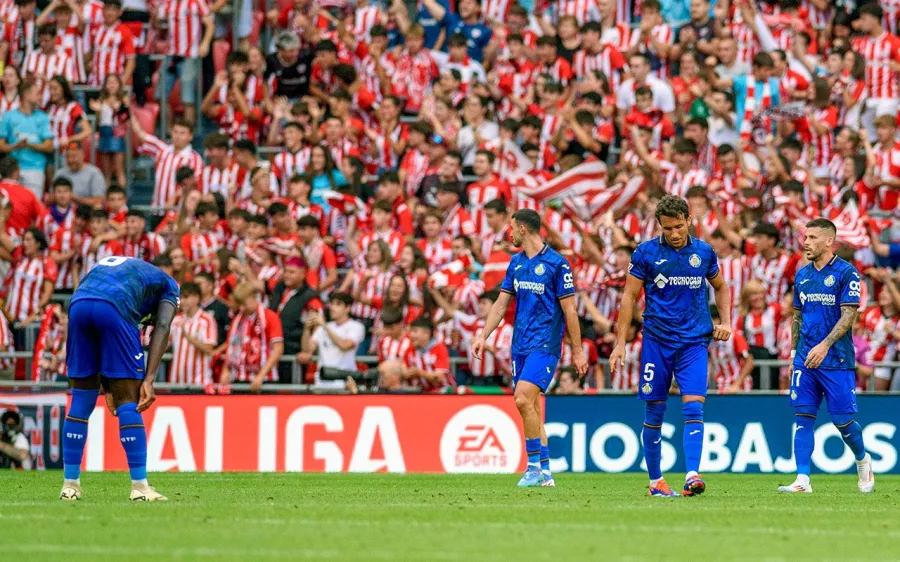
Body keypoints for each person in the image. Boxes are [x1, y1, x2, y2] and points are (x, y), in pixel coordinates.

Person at [609, 195, 732, 497]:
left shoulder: (704, 252)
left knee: (694, 407)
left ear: (689, 220)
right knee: (655, 412)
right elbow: (629, 298)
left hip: (694, 342)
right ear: (659, 226)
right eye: (668, 229)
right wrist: (620, 343)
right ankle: (656, 482)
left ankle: (692, 475)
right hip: (657, 341)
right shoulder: (646, 253)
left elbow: (721, 286)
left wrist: (726, 321)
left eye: (679, 226)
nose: (675, 234)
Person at [471, 208, 587, 488]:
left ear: (523, 229)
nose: (508, 235)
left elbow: (570, 311)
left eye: (511, 229)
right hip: (519, 345)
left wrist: (578, 350)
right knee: (531, 406)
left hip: (545, 344)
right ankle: (546, 473)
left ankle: (533, 467)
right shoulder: (516, 263)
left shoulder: (557, 264)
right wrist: (482, 335)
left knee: (522, 399)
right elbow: (501, 304)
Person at [60, 256, 179, 501]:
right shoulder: (169, 285)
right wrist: (149, 379)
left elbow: (97, 315)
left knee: (81, 401)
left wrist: (106, 387)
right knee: (128, 401)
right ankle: (140, 487)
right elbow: (164, 326)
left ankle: (70, 484)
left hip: (78, 305)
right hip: (116, 306)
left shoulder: (131, 272)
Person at [778, 218, 875, 494]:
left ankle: (862, 459)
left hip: (836, 359)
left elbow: (849, 315)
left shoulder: (846, 273)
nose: (805, 242)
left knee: (843, 421)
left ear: (829, 241)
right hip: (805, 360)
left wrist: (825, 345)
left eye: (811, 237)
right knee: (803, 416)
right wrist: (795, 352)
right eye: (805, 237)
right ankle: (802, 479)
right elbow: (797, 316)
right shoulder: (802, 275)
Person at [298, 292, 365, 390]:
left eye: (338, 304)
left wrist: (324, 326)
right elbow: (307, 349)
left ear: (348, 308)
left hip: (344, 382)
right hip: (322, 382)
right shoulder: (324, 327)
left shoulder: (356, 326)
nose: (332, 308)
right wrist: (307, 329)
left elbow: (344, 346)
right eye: (332, 304)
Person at [0, 82, 54, 196]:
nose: (40, 97)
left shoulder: (42, 117)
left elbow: (49, 146)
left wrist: (29, 145)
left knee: (32, 206)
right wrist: (15, 146)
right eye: (38, 93)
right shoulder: (8, 116)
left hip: (35, 168)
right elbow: (1, 145)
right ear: (26, 95)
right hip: (12, 169)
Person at [53, 141, 107, 207]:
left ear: (83, 155)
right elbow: (50, 197)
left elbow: (99, 201)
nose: (70, 160)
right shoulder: (60, 173)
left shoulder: (94, 173)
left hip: (86, 213)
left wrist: (73, 197)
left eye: (74, 156)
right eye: (68, 157)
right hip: (62, 212)